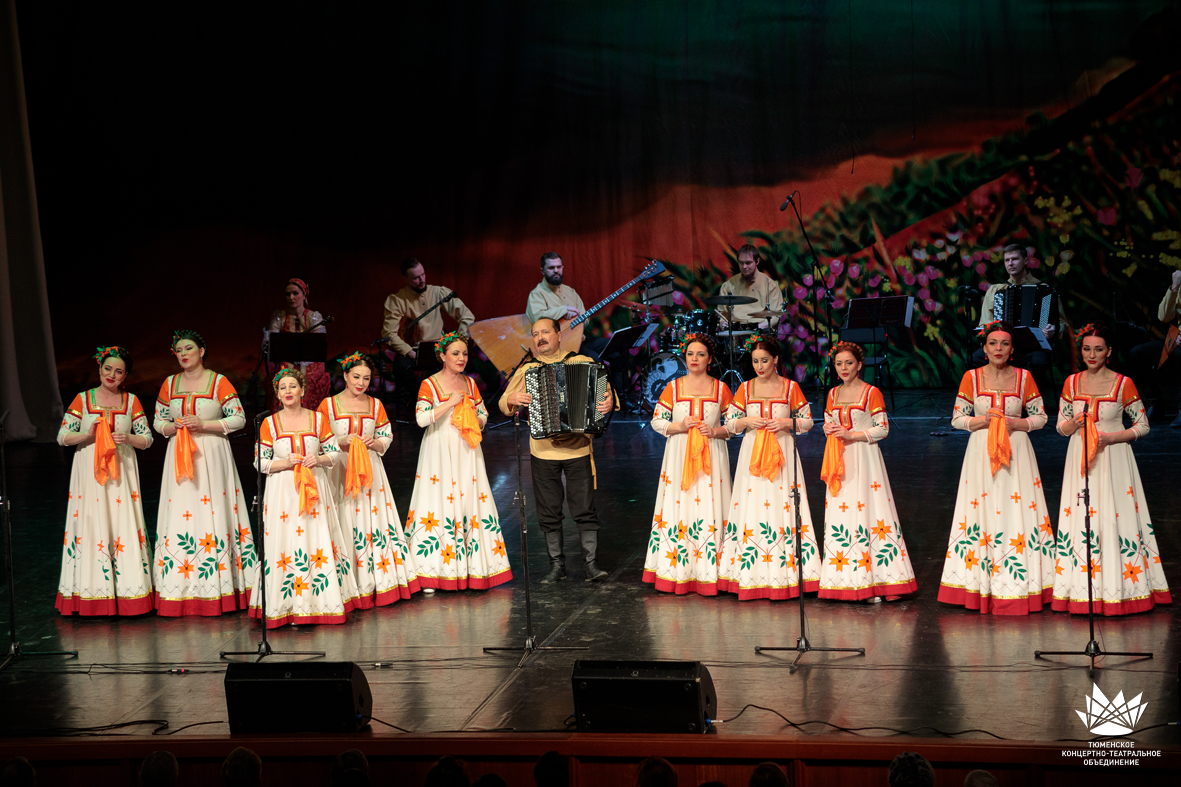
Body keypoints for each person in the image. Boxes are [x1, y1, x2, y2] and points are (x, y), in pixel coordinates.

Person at [937, 321, 1055, 615]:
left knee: (1019, 512)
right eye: (993, 343)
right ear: (985, 348)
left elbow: (1041, 417)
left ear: (1012, 350)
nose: (998, 348)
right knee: (982, 512)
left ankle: (1024, 584)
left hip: (1018, 453)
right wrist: (984, 421)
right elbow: (956, 419)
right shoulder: (971, 377)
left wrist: (1018, 423)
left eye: (1004, 344)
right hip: (980, 453)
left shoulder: (1024, 377)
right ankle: (979, 584)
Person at [1053, 324, 1170, 614]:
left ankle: (1123, 586)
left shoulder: (1123, 383)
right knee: (1082, 518)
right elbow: (1060, 427)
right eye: (1086, 349)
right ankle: (1080, 588)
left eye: (1098, 349)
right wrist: (1073, 424)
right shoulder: (1071, 383)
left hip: (1114, 457)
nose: (1091, 354)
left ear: (1109, 352)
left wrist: (1111, 438)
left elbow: (1142, 425)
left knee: (1114, 517)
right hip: (1080, 457)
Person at [501, 318, 616, 583]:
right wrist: (511, 399)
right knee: (548, 511)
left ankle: (591, 564)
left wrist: (608, 402)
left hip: (578, 450)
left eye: (545, 332)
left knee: (585, 509)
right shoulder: (527, 369)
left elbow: (607, 394)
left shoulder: (582, 362)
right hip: (543, 452)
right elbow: (503, 404)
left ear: (558, 335)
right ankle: (557, 566)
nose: (540, 338)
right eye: (535, 334)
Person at [153, 330, 257, 616]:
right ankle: (181, 587)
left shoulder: (218, 381)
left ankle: (221, 586)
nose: (183, 353)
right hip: (179, 454)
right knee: (182, 514)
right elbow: (157, 421)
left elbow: (238, 419)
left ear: (201, 351)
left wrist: (203, 424)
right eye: (178, 350)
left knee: (213, 511)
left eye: (189, 348)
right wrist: (173, 427)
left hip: (211, 454)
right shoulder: (169, 383)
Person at [405, 333, 512, 592]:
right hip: (439, 450)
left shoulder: (470, 383)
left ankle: (473, 570)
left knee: (468, 502)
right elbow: (421, 419)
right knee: (438, 503)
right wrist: (449, 404)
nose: (461, 358)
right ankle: (432, 573)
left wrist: (478, 420)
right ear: (442, 356)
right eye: (455, 353)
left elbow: (484, 413)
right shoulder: (430, 385)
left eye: (464, 354)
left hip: (466, 449)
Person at [251, 368, 358, 626]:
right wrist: (284, 462)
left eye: (292, 386)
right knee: (286, 541)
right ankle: (285, 605)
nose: (288, 391)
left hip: (315, 489)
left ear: (302, 390)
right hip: (283, 493)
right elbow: (259, 461)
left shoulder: (317, 420)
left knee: (316, 537)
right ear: (277, 394)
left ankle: (320, 603)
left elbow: (334, 454)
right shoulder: (269, 423)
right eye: (282, 388)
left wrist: (318, 458)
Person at [55, 347, 154, 616]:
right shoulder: (83, 399)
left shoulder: (131, 401)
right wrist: (86, 434)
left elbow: (147, 438)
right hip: (89, 473)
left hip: (121, 472)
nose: (112, 374)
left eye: (119, 371)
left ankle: (130, 594)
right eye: (108, 368)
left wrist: (129, 439)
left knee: (122, 524)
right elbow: (62, 436)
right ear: (99, 369)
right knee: (91, 523)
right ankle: (91, 593)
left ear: (125, 376)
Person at [817, 342, 917, 603]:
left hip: (864, 457)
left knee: (869, 513)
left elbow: (882, 428)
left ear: (860, 365)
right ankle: (845, 579)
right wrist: (829, 430)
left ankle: (881, 581)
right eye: (839, 364)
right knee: (843, 515)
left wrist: (853, 434)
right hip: (839, 459)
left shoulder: (871, 392)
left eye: (849, 363)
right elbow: (828, 421)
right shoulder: (832, 393)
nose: (843, 368)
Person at [719, 336, 818, 600]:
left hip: (782, 452)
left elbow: (807, 422)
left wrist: (786, 422)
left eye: (764, 360)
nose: (759, 366)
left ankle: (787, 571)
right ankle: (749, 573)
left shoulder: (790, 387)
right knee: (751, 505)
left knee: (782, 504)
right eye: (755, 361)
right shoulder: (745, 389)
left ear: (775, 360)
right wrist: (747, 421)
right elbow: (730, 424)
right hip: (752, 454)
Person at [319, 352, 420, 608]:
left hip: (369, 469)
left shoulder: (375, 405)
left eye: (366, 378)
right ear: (344, 376)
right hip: (339, 470)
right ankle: (347, 581)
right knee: (343, 517)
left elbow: (386, 434)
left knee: (370, 517)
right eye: (356, 377)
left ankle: (376, 579)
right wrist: (339, 442)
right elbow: (317, 439)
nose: (361, 382)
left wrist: (375, 442)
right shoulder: (328, 405)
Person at [641, 333, 732, 595]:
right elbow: (657, 421)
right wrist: (679, 426)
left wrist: (715, 431)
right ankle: (678, 570)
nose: (694, 359)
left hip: (712, 456)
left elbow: (734, 425)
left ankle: (712, 571)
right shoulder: (673, 387)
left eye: (700, 354)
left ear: (710, 359)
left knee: (709, 505)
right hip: (679, 456)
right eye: (690, 354)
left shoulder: (721, 389)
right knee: (681, 505)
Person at [973, 244, 1067, 404]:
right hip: (1001, 347)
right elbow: (985, 323)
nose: (1010, 263)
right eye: (1007, 260)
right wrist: (991, 331)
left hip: (1032, 348)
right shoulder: (996, 290)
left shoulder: (1044, 290)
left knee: (1038, 361)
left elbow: (1062, 322)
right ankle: (991, 399)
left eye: (1014, 259)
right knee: (975, 357)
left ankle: (1026, 401)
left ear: (1025, 261)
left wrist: (1053, 329)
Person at [382, 258, 475, 402]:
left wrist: (458, 341)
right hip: (414, 349)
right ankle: (426, 397)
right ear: (405, 279)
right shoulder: (397, 300)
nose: (421, 280)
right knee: (400, 368)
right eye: (416, 278)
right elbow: (388, 334)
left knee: (460, 362)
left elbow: (467, 317)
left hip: (440, 347)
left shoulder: (439, 293)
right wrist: (409, 352)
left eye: (423, 275)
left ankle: (453, 400)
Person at [266, 277, 330, 411]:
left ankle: (309, 416)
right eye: (288, 294)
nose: (291, 297)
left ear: (304, 294)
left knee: (307, 378)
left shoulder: (314, 317)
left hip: (311, 362)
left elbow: (317, 347)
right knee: (283, 377)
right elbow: (271, 343)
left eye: (295, 293)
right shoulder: (279, 317)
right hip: (286, 361)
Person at [1128, 269, 1181, 427]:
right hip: (1177, 338)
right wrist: (1174, 287)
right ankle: (1156, 405)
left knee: (1179, 355)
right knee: (1137, 353)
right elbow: (1163, 316)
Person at [715, 244, 784, 331]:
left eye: (748, 263)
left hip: (760, 331)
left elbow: (776, 316)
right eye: (741, 263)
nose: (744, 267)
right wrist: (722, 323)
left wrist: (758, 328)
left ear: (757, 261)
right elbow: (722, 314)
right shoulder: (728, 286)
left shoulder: (770, 285)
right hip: (735, 331)